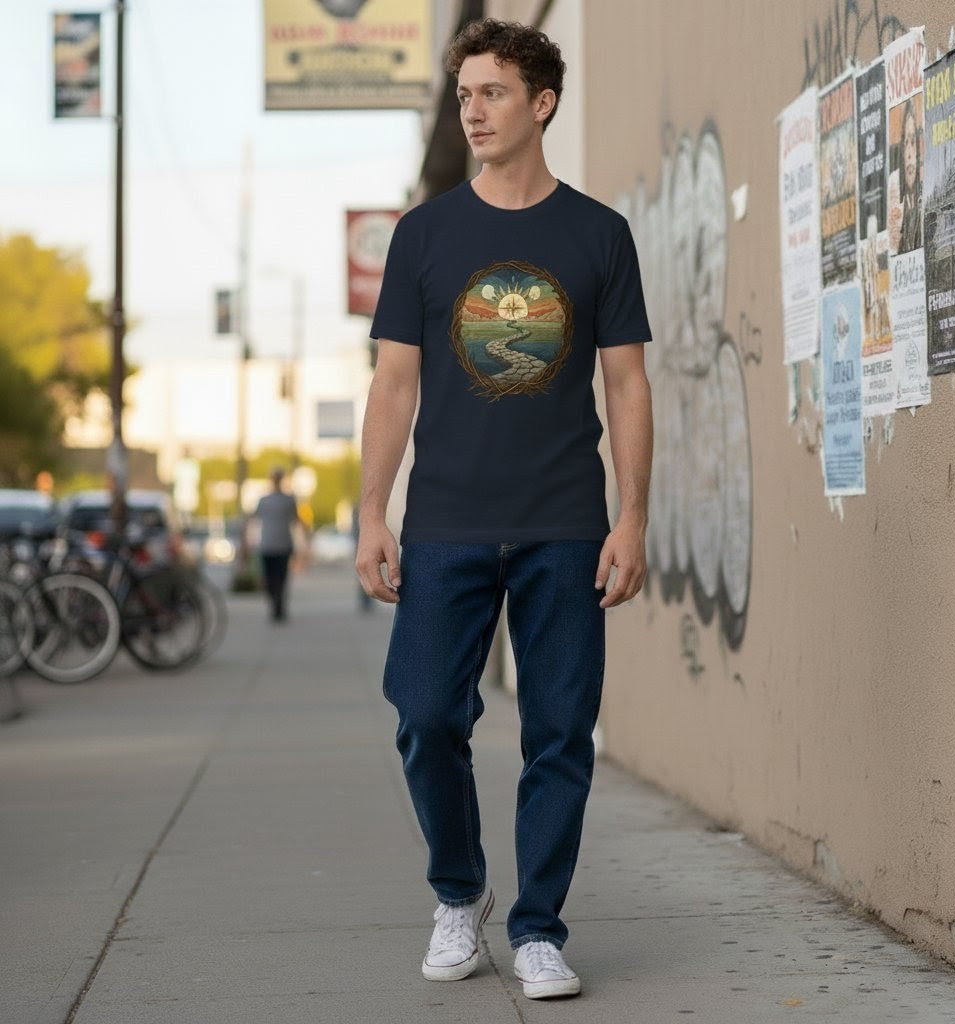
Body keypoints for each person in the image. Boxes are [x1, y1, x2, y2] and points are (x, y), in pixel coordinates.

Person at [355, 18, 653, 1001]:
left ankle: (538, 930)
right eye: (464, 96)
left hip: (564, 523)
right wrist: (371, 512)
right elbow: (394, 383)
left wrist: (632, 519)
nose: (472, 112)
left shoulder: (597, 235)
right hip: (445, 522)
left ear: (542, 103)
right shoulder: (424, 235)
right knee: (425, 714)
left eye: (492, 93)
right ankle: (459, 892)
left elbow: (627, 385)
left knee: (559, 731)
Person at [253, 467, 304, 622]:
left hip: (276, 545)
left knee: (275, 578)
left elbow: (296, 520)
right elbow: (297, 521)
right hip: (274, 544)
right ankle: (277, 605)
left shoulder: (282, 500)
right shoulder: (273, 500)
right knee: (276, 579)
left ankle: (277, 606)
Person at [897, 97, 922, 254]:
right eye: (906, 143)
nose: (909, 154)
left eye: (913, 142)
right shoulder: (899, 220)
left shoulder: (922, 212)